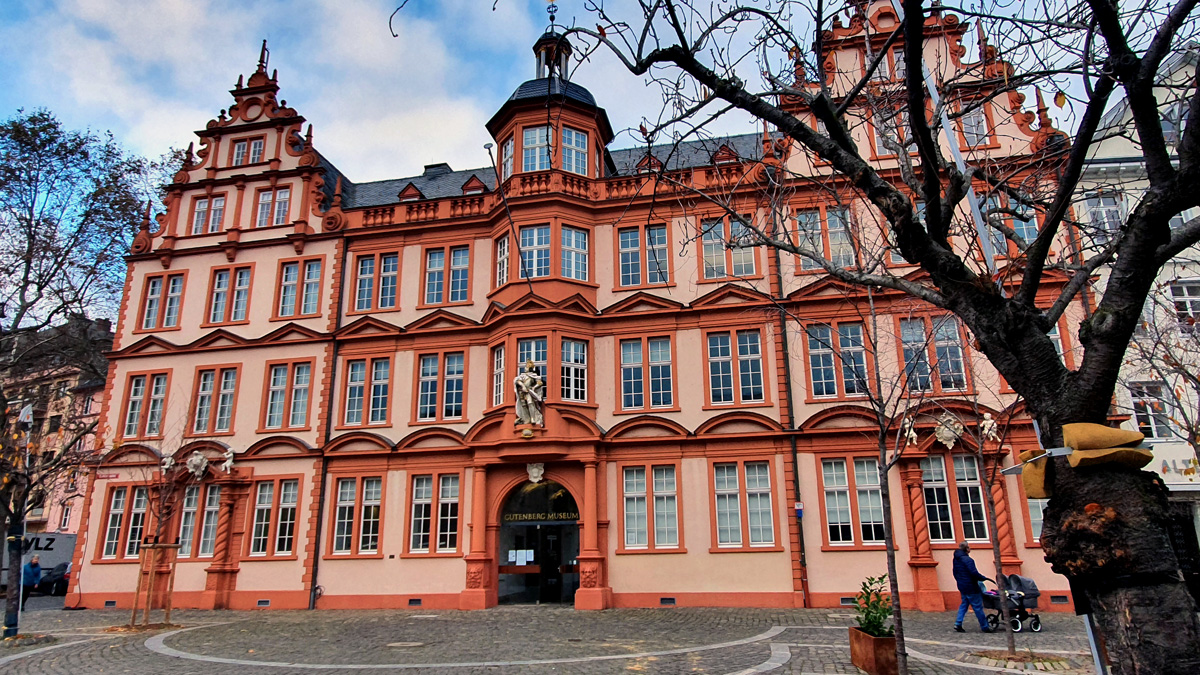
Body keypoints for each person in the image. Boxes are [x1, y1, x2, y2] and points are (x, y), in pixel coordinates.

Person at [952, 542, 993, 633]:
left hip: (962, 586)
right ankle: (985, 626)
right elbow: (973, 573)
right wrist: (983, 578)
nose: (970, 549)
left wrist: (960, 581)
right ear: (966, 549)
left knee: (964, 604)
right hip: (971, 586)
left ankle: (958, 623)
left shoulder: (956, 559)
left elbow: (955, 572)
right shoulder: (968, 560)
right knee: (977, 606)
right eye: (969, 547)